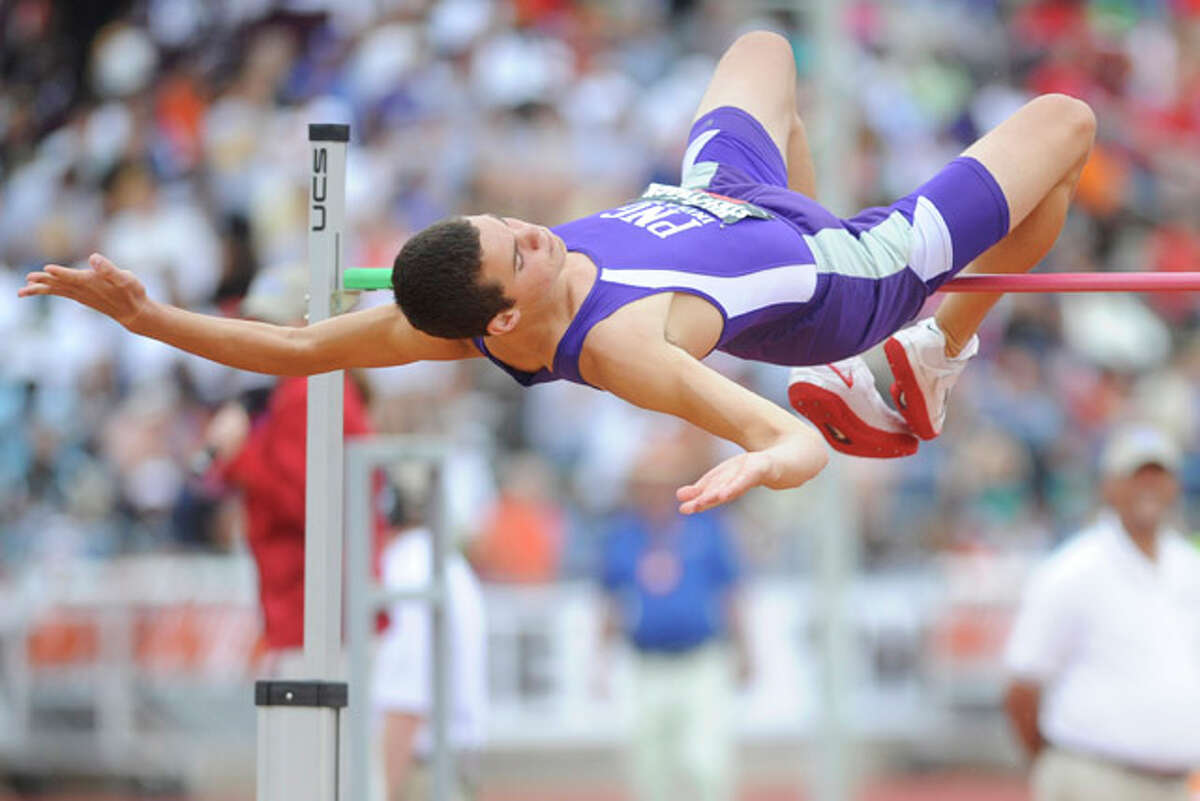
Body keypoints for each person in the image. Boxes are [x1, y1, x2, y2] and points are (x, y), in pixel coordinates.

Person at [19, 31, 1097, 514]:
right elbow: (794, 441)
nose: (536, 229)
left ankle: (911, 363)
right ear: (499, 320)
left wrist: (147, 313)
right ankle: (920, 347)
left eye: (511, 222)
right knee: (1065, 125)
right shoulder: (624, 348)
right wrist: (761, 463)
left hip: (725, 199)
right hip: (850, 273)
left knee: (766, 50)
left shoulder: (458, 304)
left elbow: (296, 347)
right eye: (520, 250)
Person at [1002, 424, 1200, 801]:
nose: (1149, 488)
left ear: (1175, 486)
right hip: (1094, 775)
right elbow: (1021, 687)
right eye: (1136, 477)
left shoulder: (1188, 566)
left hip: (1176, 782)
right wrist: (1055, 766)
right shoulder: (1072, 571)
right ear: (1109, 486)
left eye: (1159, 477)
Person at [202, 264, 383, 675]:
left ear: (306, 324)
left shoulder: (308, 393)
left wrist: (238, 456)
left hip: (315, 619)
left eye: (269, 323)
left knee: (306, 734)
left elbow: (310, 508)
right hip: (316, 614)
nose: (254, 336)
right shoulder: (304, 389)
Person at [596, 436, 752, 801]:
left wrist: (746, 649)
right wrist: (600, 660)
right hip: (647, 662)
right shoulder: (624, 536)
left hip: (700, 659)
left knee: (707, 762)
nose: (655, 493)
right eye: (648, 485)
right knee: (650, 766)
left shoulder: (707, 529)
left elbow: (731, 594)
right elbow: (611, 602)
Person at [372, 469, 487, 801]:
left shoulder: (405, 571)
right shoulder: (446, 566)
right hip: (445, 765)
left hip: (419, 770)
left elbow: (405, 700)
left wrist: (382, 791)